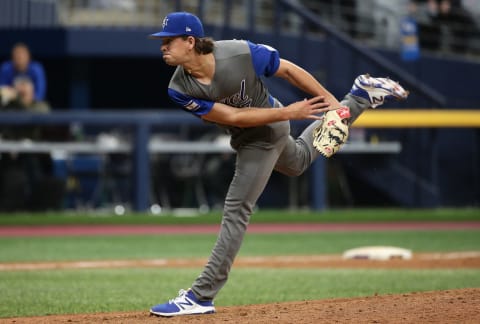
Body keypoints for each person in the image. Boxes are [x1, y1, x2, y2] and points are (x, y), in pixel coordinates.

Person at [148, 11, 408, 317]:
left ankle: (201, 295)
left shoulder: (239, 52)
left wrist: (329, 102)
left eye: (169, 40)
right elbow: (232, 117)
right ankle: (361, 95)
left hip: (265, 134)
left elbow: (288, 70)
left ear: (190, 41)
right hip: (259, 128)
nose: (163, 46)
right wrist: (290, 114)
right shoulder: (178, 88)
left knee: (236, 209)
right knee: (297, 161)